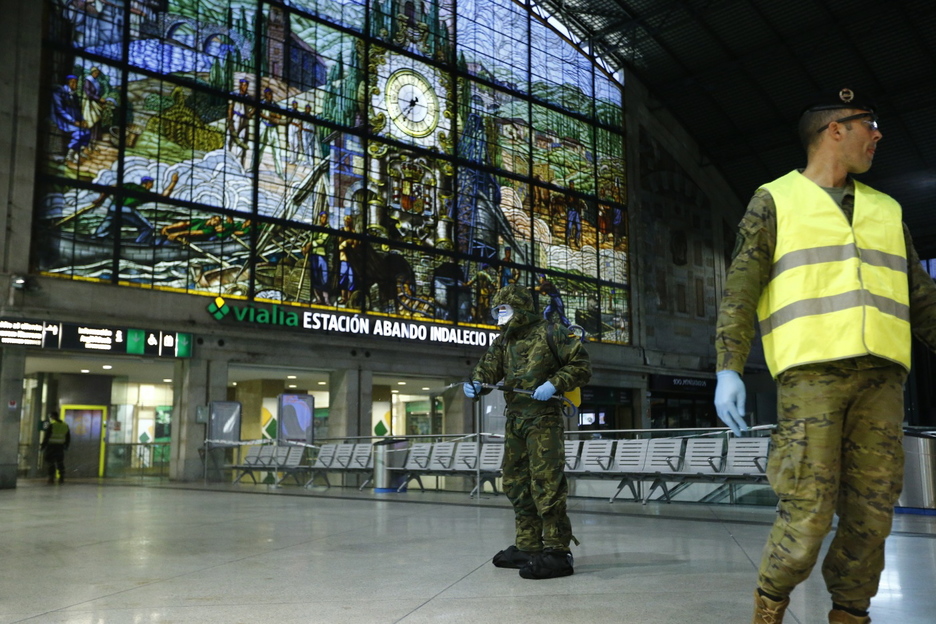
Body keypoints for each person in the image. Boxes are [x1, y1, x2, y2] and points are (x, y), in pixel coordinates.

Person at [713, 88, 936, 624]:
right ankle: (769, 607)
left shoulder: (886, 209)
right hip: (810, 377)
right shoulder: (775, 200)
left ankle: (851, 614)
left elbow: (922, 298)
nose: (879, 134)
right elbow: (741, 289)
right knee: (807, 514)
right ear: (835, 129)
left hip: (881, 380)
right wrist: (727, 366)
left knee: (872, 515)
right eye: (870, 124)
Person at [464, 284, 591, 579]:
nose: (498, 315)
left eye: (503, 309)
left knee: (547, 484)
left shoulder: (553, 332)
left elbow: (581, 365)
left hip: (543, 420)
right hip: (516, 419)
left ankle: (558, 551)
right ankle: (529, 545)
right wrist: (477, 384)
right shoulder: (504, 339)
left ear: (520, 308)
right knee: (516, 483)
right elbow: (488, 369)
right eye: (496, 310)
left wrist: (556, 383)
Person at [40, 412, 71, 484]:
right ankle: (61, 477)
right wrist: (66, 445)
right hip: (60, 446)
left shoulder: (52, 425)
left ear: (53, 416)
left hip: (51, 446)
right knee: (60, 462)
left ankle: (51, 477)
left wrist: (43, 446)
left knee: (50, 462)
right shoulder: (65, 425)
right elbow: (68, 437)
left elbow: (47, 436)